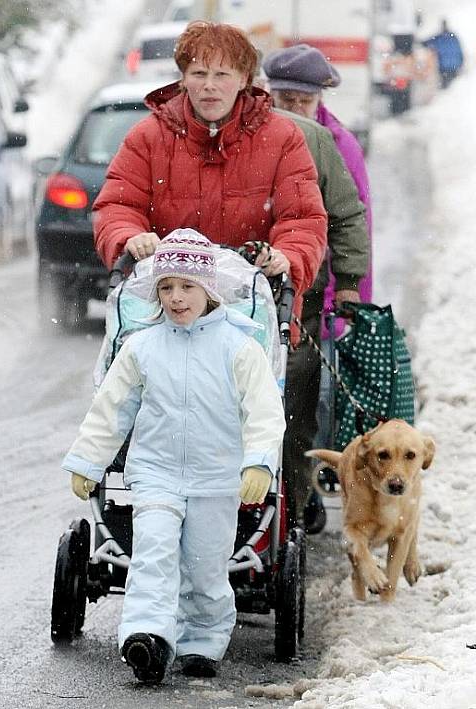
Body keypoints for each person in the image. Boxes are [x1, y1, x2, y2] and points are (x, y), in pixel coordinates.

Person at [62, 231, 285, 683]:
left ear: (209, 290)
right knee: (153, 556)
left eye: (187, 286)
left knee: (205, 568)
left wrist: (259, 461)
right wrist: (88, 460)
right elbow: (112, 408)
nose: (177, 298)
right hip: (157, 473)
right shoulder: (142, 348)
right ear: (155, 293)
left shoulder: (239, 348)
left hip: (216, 476)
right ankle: (148, 637)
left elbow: (263, 410)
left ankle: (202, 640)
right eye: (166, 288)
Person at [93, 21, 328, 349]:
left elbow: (302, 218)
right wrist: (129, 238)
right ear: (183, 78)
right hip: (166, 310)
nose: (209, 86)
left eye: (222, 75)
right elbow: (118, 205)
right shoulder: (148, 138)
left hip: (251, 311)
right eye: (199, 74)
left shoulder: (282, 138)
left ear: (244, 80)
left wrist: (287, 257)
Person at [262, 44, 371, 533]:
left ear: (317, 99)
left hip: (311, 294)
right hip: (259, 286)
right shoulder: (258, 134)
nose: (290, 108)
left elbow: (354, 220)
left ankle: (294, 497)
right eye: (281, 97)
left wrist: (349, 293)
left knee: (302, 403)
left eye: (300, 101)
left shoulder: (333, 143)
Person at [423, 19, 465, 89]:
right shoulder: (454, 37)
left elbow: (428, 43)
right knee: (454, 88)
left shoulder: (439, 38)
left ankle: (447, 96)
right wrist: (461, 63)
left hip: (444, 68)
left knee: (446, 88)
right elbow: (460, 52)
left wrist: (420, 42)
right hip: (455, 67)